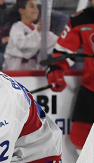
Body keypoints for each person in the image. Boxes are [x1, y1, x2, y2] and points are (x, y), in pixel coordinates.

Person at [46, 0, 94, 154]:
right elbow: (63, 51)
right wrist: (56, 71)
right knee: (80, 136)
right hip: (90, 88)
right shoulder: (80, 19)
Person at [3, 0, 57, 70]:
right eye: (32, 7)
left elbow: (55, 42)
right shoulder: (16, 28)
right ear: (22, 11)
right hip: (14, 75)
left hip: (33, 75)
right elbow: (24, 48)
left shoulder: (37, 29)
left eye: (37, 7)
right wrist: (37, 32)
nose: (36, 10)